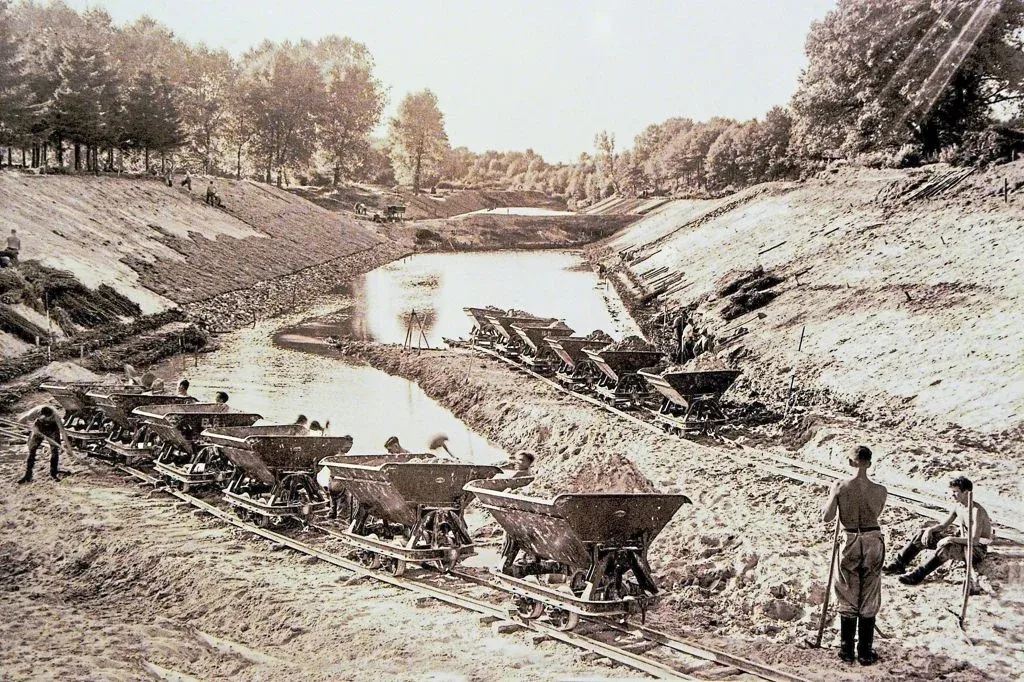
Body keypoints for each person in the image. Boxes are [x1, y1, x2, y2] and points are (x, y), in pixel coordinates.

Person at [821, 445, 888, 666]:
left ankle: (847, 650)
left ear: (851, 463)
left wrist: (835, 497)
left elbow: (827, 517)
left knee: (847, 591)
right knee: (869, 592)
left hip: (850, 539)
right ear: (869, 463)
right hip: (872, 539)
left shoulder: (840, 486)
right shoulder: (881, 490)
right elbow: (875, 514)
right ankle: (866, 652)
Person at [886, 476, 994, 588]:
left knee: (946, 546)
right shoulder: (959, 506)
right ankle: (899, 564)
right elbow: (943, 525)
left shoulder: (976, 511)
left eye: (955, 492)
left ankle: (917, 575)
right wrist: (930, 530)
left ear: (966, 492)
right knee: (921, 534)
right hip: (964, 542)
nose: (952, 495)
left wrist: (950, 538)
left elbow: (975, 541)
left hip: (976, 550)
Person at [16, 405, 68, 484]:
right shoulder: (33, 413)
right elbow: (20, 421)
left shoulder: (56, 416)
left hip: (53, 428)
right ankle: (28, 475)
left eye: (50, 418)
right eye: (46, 418)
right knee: (32, 449)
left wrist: (68, 447)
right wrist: (32, 428)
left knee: (54, 450)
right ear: (40, 415)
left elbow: (63, 432)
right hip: (39, 427)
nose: (48, 419)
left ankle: (53, 474)